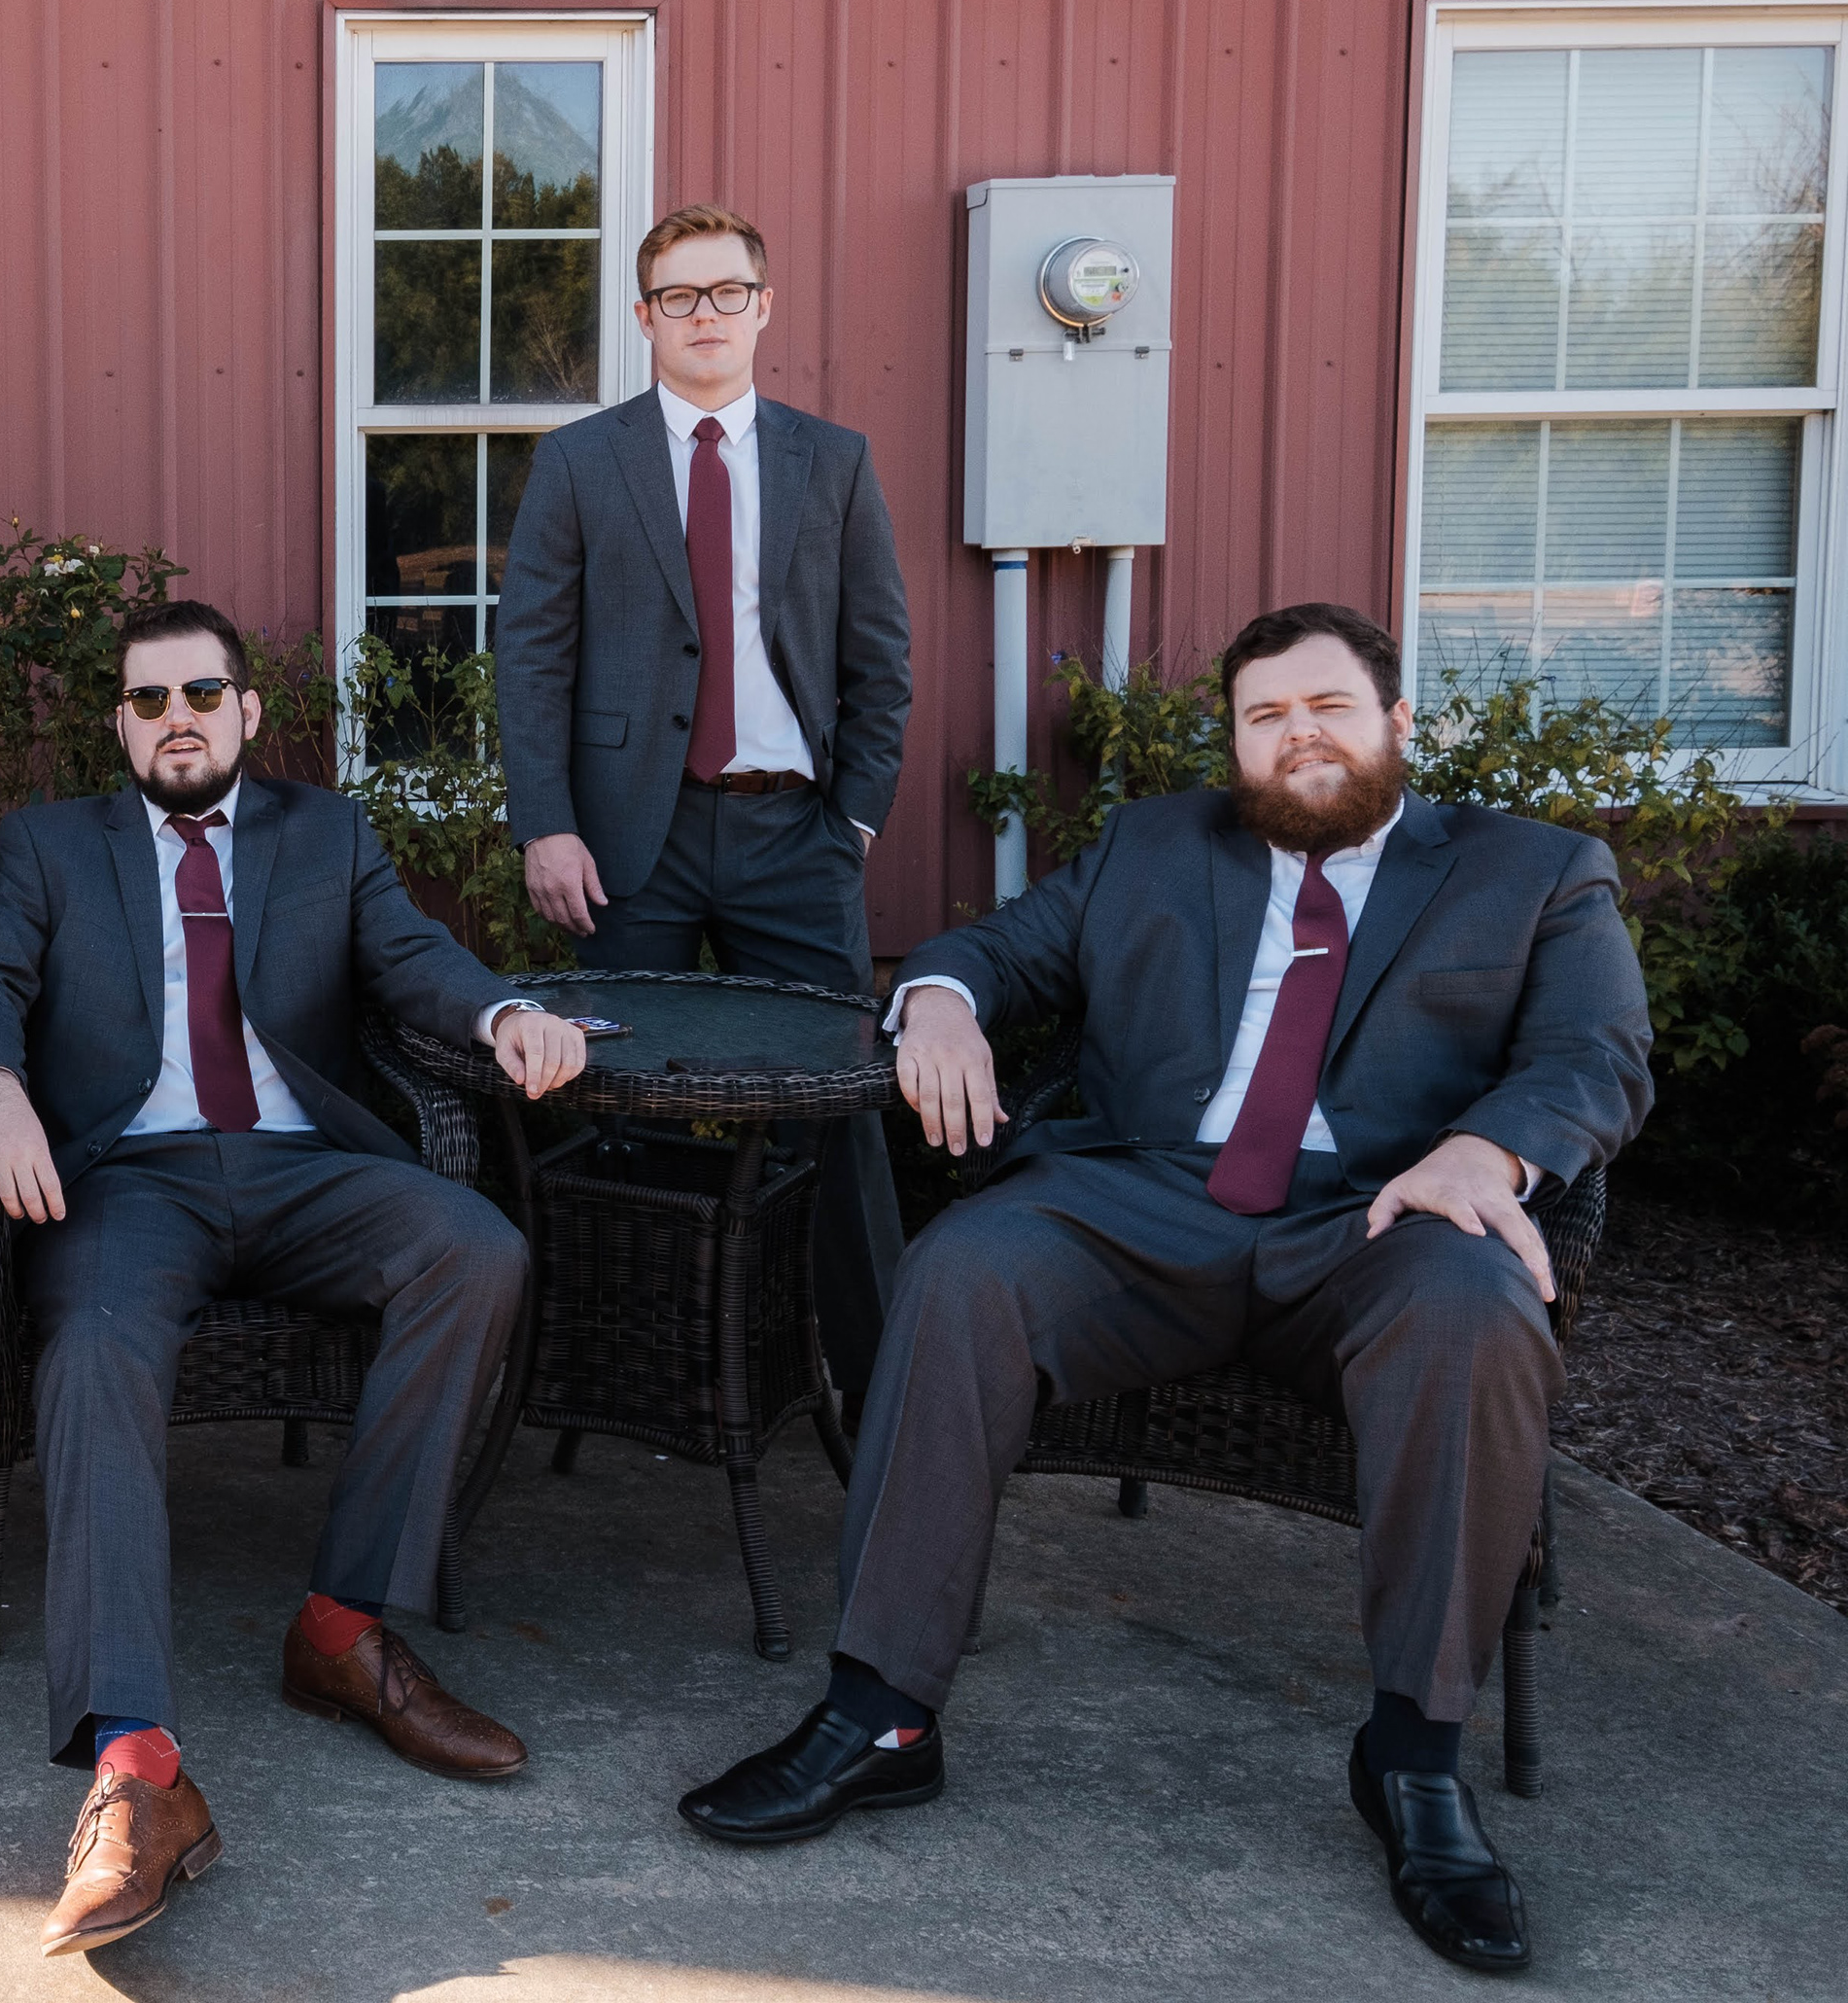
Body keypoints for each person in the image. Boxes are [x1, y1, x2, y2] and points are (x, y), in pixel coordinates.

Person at [679, 603, 1652, 1981]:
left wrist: (1484, 1152)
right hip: (1149, 1203)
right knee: (964, 1270)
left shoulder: (1532, 870)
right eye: (1266, 716)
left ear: (1397, 724)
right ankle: (882, 1712)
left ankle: (1414, 1757)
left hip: (1386, 1217)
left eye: (1328, 706)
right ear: (1236, 743)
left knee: (1475, 1310)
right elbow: (992, 949)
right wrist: (940, 1001)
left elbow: (1596, 1055)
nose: (1299, 735)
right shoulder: (1152, 844)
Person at [0, 600, 586, 1957]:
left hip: (304, 1169)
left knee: (476, 1248)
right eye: (149, 699)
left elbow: (410, 958)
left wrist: (504, 1010)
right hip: (132, 1181)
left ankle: (342, 1628)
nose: (176, 718)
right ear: (121, 724)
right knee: (94, 1349)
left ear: (245, 709)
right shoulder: (53, 844)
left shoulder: (326, 833)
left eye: (201, 694)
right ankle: (138, 1766)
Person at [494, 201, 915, 1390]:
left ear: (764, 306)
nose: (706, 315)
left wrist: (854, 819)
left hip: (797, 832)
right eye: (679, 296)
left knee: (838, 1100)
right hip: (635, 836)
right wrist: (546, 822)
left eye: (728, 292)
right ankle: (630, 1370)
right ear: (645, 317)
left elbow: (880, 657)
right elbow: (531, 655)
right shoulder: (582, 462)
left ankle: (871, 1375)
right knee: (624, 1102)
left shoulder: (834, 461)